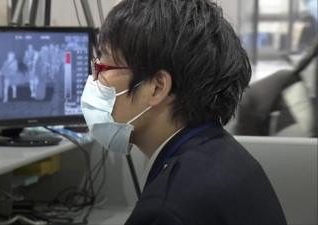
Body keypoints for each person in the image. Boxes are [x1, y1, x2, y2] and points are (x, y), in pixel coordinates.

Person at [80, 0, 287, 224]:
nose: (94, 79)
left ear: (157, 88)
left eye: (103, 67)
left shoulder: (166, 211)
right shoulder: (224, 154)